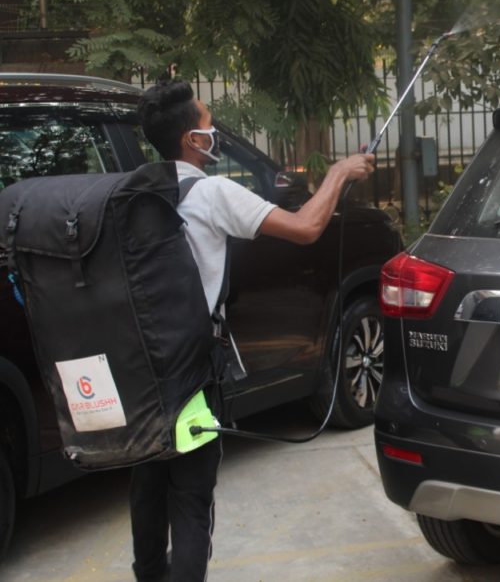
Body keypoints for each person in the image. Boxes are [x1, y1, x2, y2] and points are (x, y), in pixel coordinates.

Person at [131, 80, 374, 581]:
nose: (213, 129)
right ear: (189, 139)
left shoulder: (134, 189)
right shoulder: (212, 193)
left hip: (139, 366)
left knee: (147, 482)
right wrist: (338, 174)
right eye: (206, 123)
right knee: (192, 501)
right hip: (191, 371)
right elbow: (306, 226)